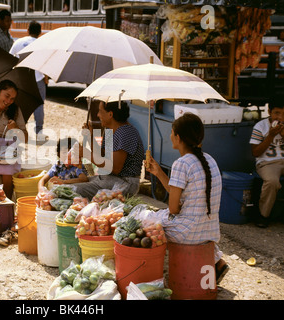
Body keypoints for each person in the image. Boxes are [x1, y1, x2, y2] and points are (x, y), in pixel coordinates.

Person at [144, 112, 228, 284]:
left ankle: (149, 273)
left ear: (178, 137)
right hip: (209, 231)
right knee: (164, 216)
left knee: (144, 220)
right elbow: (181, 194)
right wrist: (158, 172)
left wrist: (177, 209)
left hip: (186, 233)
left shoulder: (181, 164)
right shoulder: (209, 159)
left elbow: (174, 209)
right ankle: (217, 260)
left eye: (172, 132)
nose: (170, 135)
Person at [72, 100, 144, 200]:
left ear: (110, 114)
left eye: (100, 111)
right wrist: (89, 137)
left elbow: (114, 168)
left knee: (72, 190)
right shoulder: (110, 130)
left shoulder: (125, 132)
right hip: (109, 179)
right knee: (69, 183)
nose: (97, 115)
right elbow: (100, 156)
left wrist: (87, 154)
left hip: (124, 183)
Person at [10, 20, 48, 139]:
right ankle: (39, 132)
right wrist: (46, 78)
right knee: (39, 105)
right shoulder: (42, 44)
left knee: (20, 105)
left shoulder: (18, 42)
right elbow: (46, 63)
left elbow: (10, 59)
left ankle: (20, 130)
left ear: (27, 30)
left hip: (21, 80)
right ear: (40, 32)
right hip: (38, 79)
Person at [250, 99, 284, 228]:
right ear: (269, 112)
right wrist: (270, 135)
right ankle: (263, 215)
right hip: (267, 163)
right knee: (272, 182)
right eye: (277, 113)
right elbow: (255, 152)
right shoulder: (260, 126)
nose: (280, 117)